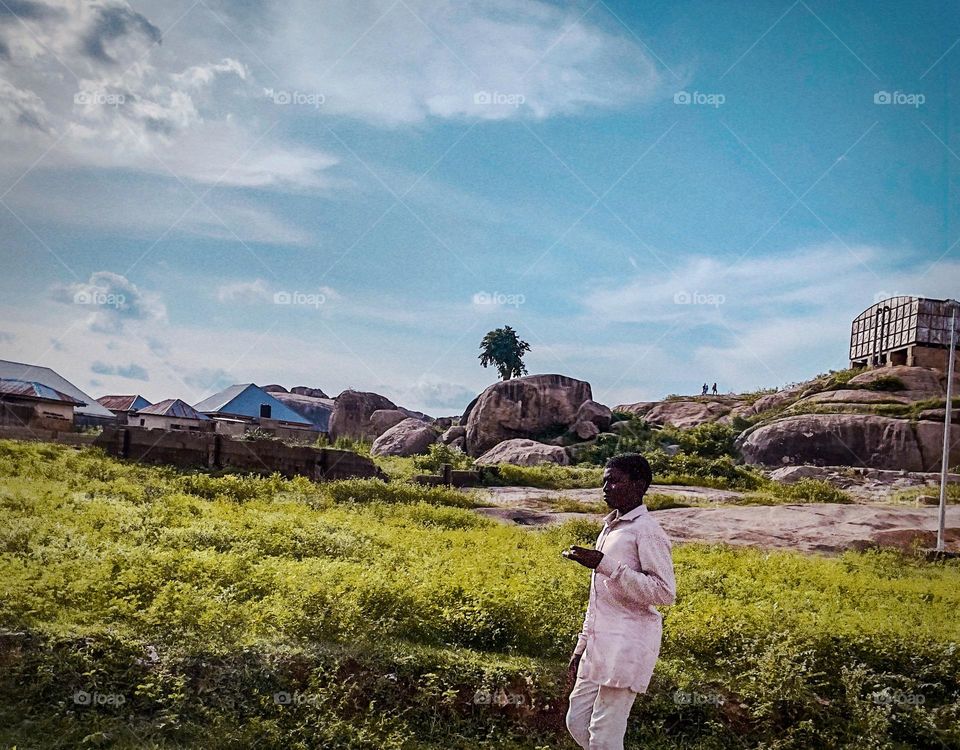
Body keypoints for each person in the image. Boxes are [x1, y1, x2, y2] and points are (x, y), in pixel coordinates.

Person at [562, 453, 676, 750]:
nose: (605, 488)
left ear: (638, 485)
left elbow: (665, 593)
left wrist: (606, 564)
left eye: (614, 481)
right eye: (604, 481)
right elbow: (598, 598)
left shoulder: (647, 531)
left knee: (604, 735)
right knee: (577, 720)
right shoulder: (611, 528)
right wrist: (580, 648)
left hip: (627, 644)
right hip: (599, 645)